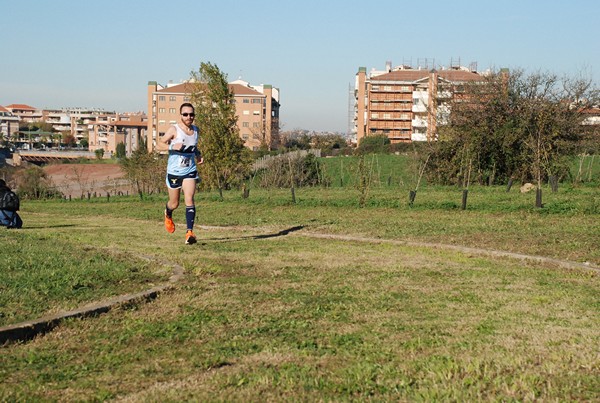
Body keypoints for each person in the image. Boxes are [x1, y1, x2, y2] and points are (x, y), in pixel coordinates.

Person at [159, 103, 203, 244]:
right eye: (185, 114)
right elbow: (157, 145)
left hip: (190, 170)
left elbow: (194, 146)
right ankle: (168, 213)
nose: (188, 117)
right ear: (180, 115)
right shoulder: (174, 130)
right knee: (174, 203)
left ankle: (189, 233)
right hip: (174, 172)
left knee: (189, 198)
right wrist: (172, 146)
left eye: (191, 114)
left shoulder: (196, 130)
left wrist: (198, 155)